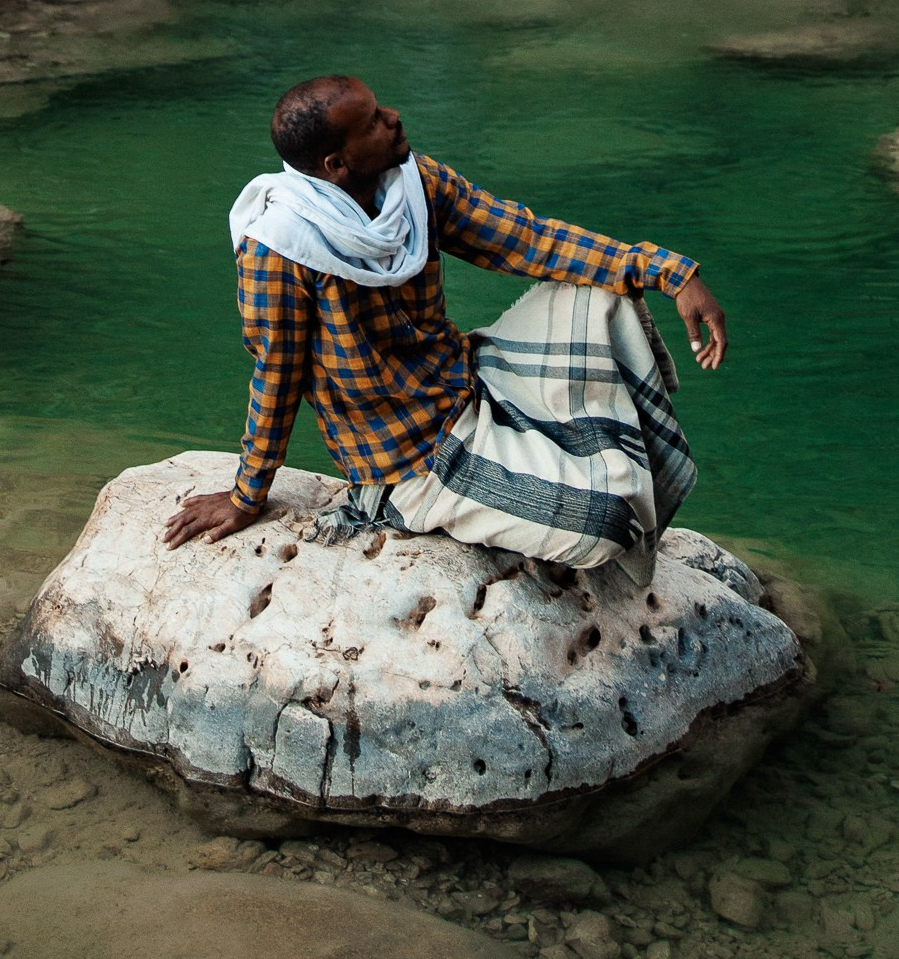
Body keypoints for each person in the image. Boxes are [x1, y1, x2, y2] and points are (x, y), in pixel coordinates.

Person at [163, 72, 726, 584]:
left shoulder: (414, 184)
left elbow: (528, 240)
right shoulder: (278, 248)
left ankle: (569, 458)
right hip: (407, 458)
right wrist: (246, 495)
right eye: (373, 122)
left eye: (381, 108)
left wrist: (670, 274)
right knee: (610, 523)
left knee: (607, 299)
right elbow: (277, 376)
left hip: (467, 380)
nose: (393, 118)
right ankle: (387, 504)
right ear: (336, 164)